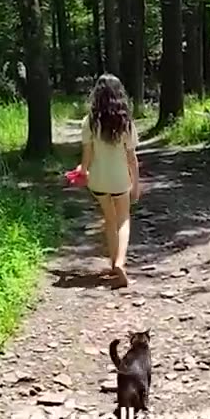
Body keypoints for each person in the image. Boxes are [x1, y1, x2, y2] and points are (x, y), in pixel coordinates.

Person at [73, 74, 141, 288]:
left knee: (109, 220)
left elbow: (86, 159)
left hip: (98, 181)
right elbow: (132, 159)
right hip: (120, 180)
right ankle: (121, 262)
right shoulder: (125, 122)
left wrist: (81, 171)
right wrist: (136, 185)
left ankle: (113, 264)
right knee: (123, 220)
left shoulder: (89, 122)